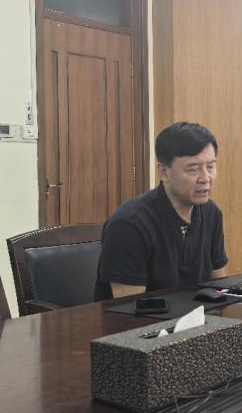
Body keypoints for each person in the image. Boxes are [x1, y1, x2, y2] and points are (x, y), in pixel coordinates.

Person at [94, 122, 227, 300]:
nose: (206, 178)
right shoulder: (129, 225)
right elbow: (128, 308)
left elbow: (218, 289)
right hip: (140, 317)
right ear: (164, 172)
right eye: (193, 169)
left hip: (197, 316)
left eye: (210, 167)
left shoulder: (211, 213)